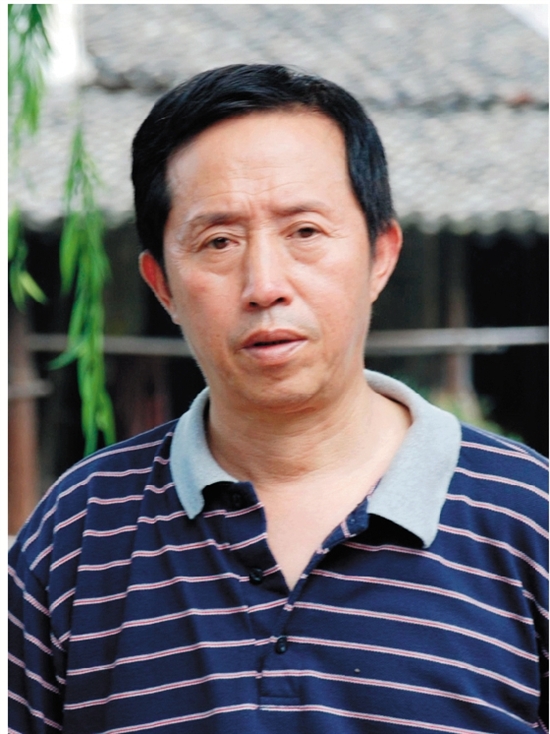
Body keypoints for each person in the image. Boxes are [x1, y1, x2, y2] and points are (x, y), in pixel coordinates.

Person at [9, 64, 548, 734]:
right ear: (162, 284)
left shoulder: (530, 519)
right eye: (219, 241)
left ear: (381, 255)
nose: (265, 285)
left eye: (305, 232)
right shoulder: (76, 533)